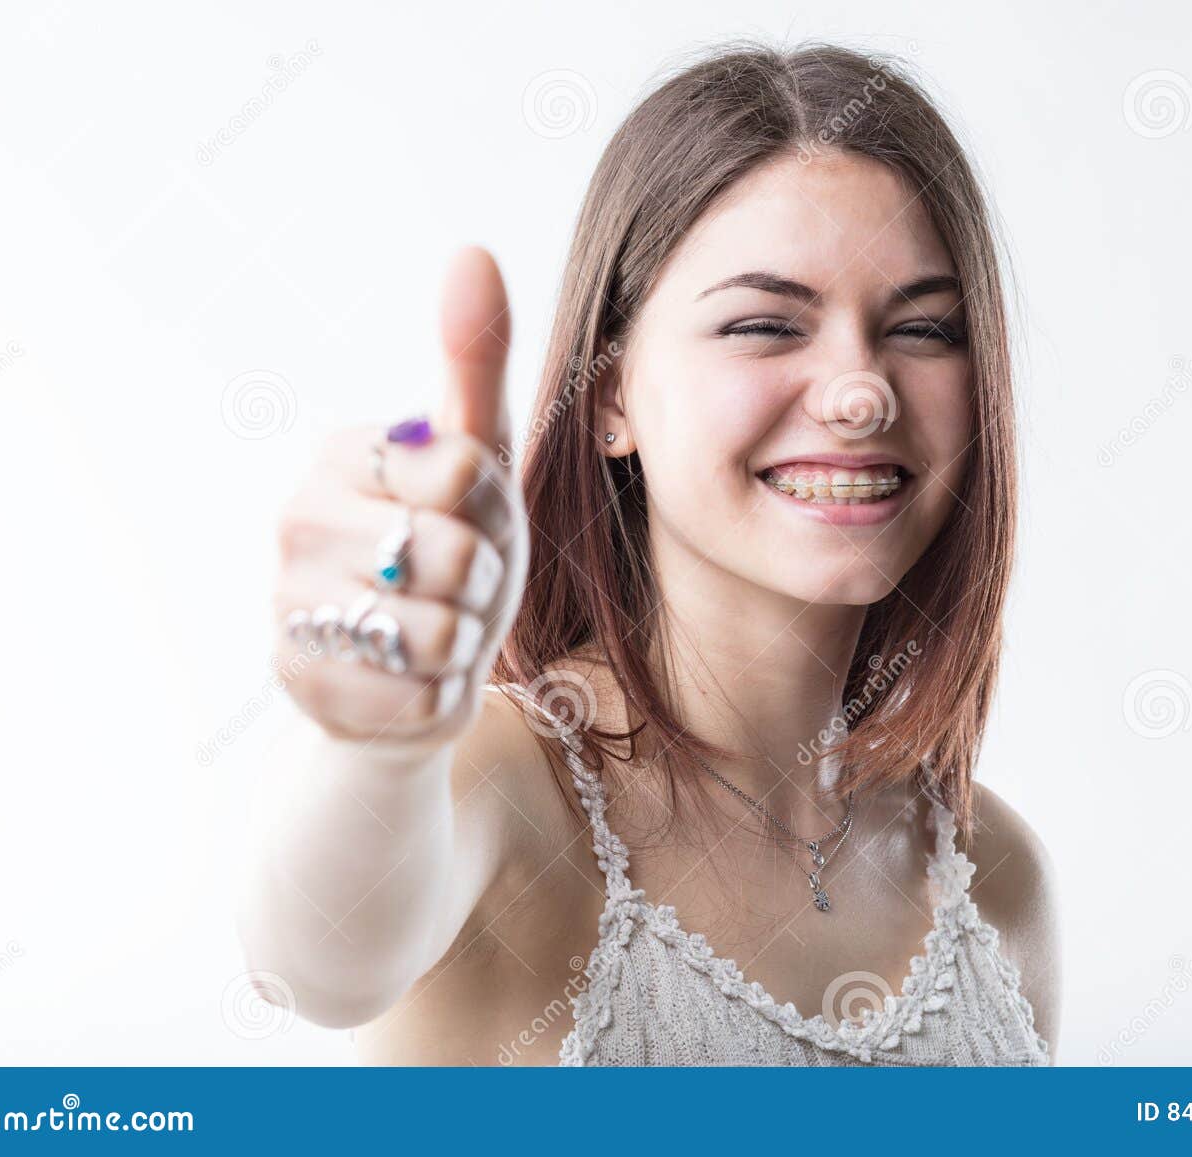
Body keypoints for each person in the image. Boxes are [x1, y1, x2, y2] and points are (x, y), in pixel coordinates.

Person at [241, 41, 1059, 1066]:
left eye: (926, 328)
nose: (861, 391)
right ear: (610, 394)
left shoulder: (997, 873)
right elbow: (316, 963)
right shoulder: (502, 786)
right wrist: (375, 744)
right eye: (765, 324)